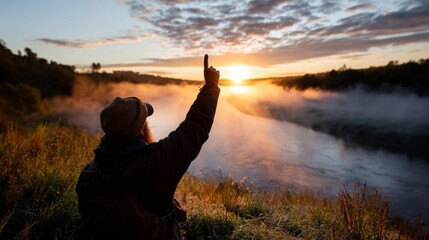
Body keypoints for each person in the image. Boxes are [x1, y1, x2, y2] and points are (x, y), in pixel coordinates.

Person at [75, 55, 220, 239]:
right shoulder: (156, 163)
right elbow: (194, 128)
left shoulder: (88, 175)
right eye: (145, 120)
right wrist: (211, 87)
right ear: (140, 130)